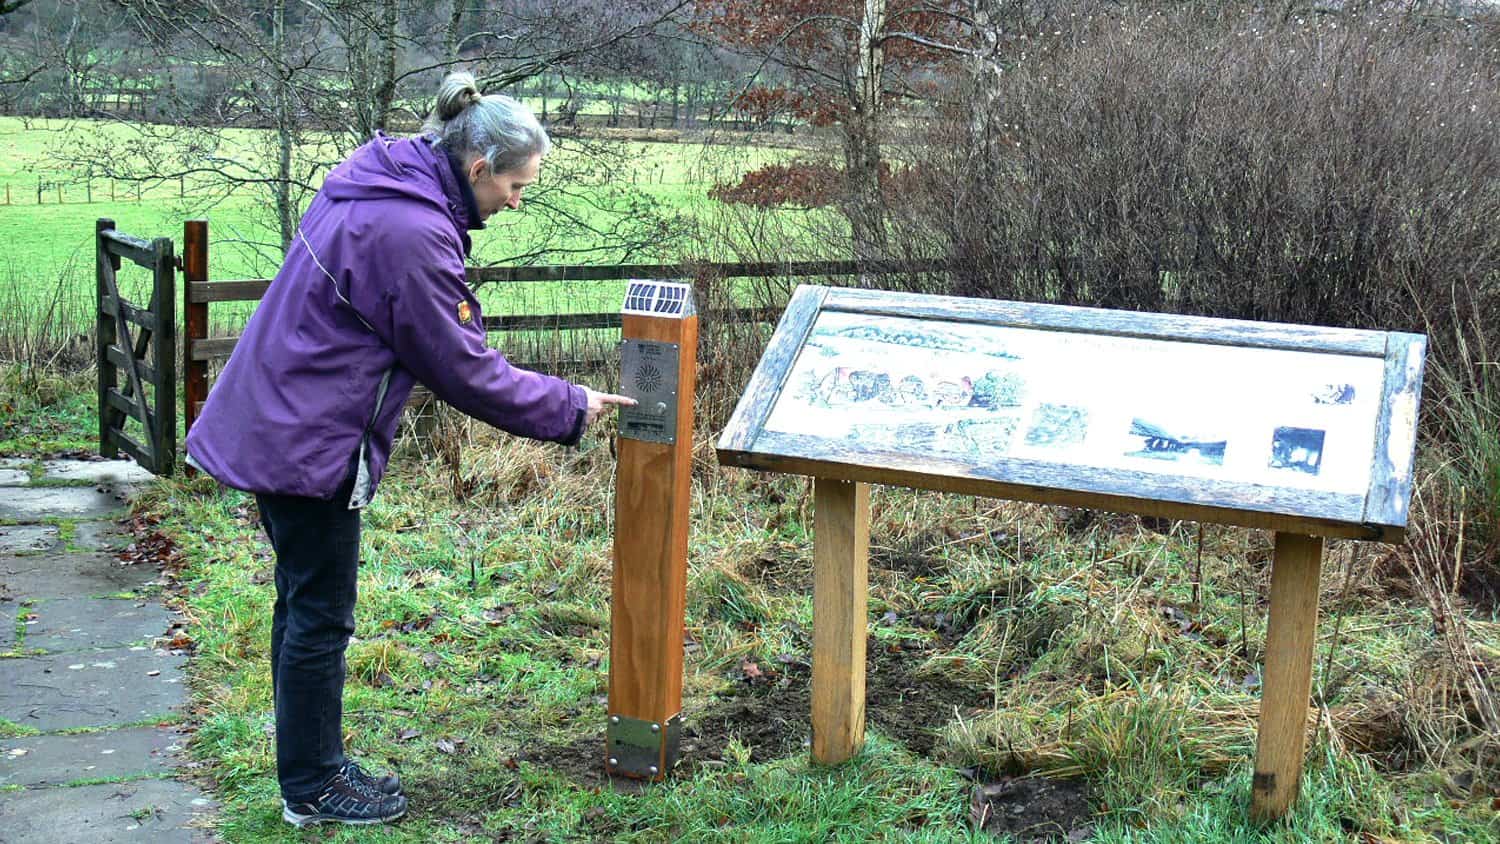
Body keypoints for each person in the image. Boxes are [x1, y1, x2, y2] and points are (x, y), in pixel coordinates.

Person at [184, 71, 634, 828]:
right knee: (320, 614)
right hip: (310, 441)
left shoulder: (381, 184)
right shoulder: (409, 231)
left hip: (279, 416)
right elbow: (463, 367)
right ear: (478, 166)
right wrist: (571, 404)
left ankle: (310, 768)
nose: (518, 203)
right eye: (517, 186)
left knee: (303, 604)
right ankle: (314, 787)